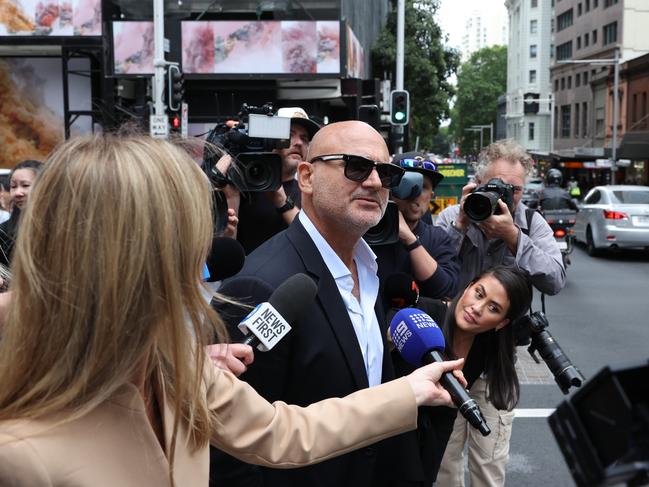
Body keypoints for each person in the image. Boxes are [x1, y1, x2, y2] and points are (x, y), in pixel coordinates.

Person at [0, 133, 466, 486]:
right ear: (128, 256)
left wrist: (408, 392)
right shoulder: (20, 457)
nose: (212, 247)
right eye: (192, 230)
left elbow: (282, 431)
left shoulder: (178, 365)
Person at [212, 121, 429, 487]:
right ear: (307, 177)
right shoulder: (261, 284)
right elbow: (229, 445)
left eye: (386, 173)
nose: (375, 182)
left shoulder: (371, 268)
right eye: (356, 166)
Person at [435, 139, 565, 487]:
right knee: (444, 461)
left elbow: (554, 278)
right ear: (477, 184)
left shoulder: (531, 224)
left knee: (489, 464)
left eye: (516, 190)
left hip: (497, 361)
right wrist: (462, 223)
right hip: (449, 355)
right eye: (497, 188)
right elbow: (429, 270)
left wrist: (514, 238)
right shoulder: (455, 216)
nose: (507, 197)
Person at [430, 265, 533, 485]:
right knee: (442, 463)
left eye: (493, 308)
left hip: (450, 408)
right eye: (479, 293)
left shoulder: (490, 347)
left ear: (502, 323)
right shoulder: (426, 317)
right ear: (468, 286)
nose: (477, 308)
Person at [215, 106, 320, 254]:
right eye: (289, 134)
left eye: (305, 138)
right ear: (269, 139)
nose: (298, 143)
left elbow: (317, 244)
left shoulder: (312, 192)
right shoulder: (242, 185)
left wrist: (282, 201)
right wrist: (231, 197)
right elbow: (228, 252)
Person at [374, 152, 459, 303]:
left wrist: (410, 239)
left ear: (431, 195)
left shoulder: (438, 238)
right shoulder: (368, 231)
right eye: (407, 184)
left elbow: (446, 290)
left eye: (423, 187)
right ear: (390, 188)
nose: (415, 193)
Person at [0, 160, 43, 268]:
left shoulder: (63, 228)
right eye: (13, 186)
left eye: (25, 185)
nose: (18, 193)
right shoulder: (4, 232)